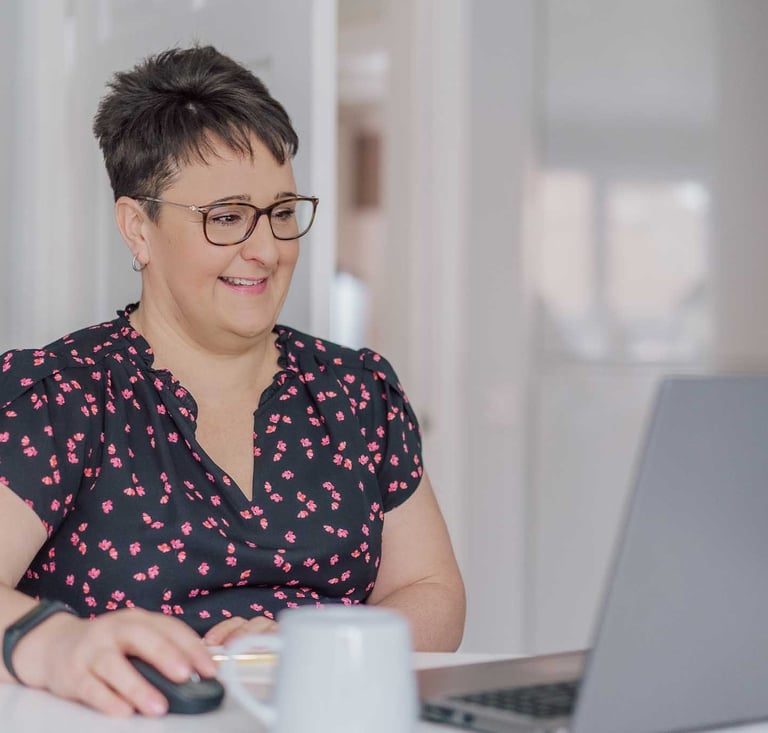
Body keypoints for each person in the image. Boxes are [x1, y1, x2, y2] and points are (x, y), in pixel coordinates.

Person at [0, 45, 465, 716]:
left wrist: (312, 647)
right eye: (226, 217)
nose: (267, 248)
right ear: (139, 228)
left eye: (281, 212)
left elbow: (432, 588)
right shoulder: (63, 398)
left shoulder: (356, 393)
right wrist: (61, 643)